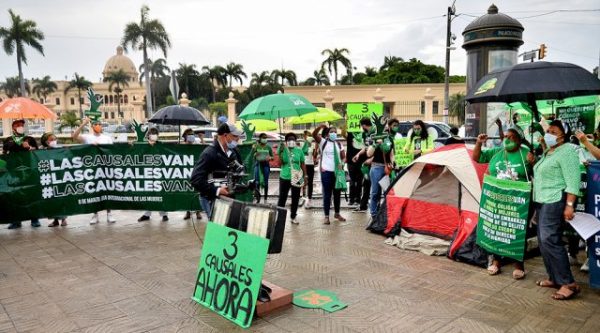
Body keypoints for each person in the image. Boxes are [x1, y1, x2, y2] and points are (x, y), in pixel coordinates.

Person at [473, 127, 533, 279]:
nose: (507, 139)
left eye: (511, 137)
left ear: (519, 139)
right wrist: (479, 143)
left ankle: (518, 263)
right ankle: (496, 261)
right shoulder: (496, 153)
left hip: (518, 202)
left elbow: (538, 172)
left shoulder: (526, 154)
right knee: (496, 229)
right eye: (505, 136)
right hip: (496, 200)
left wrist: (535, 160)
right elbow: (477, 157)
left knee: (517, 232)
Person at [533, 120, 581, 300]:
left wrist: (569, 205)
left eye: (553, 131)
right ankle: (554, 277)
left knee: (550, 239)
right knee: (543, 241)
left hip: (555, 200)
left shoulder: (567, 151)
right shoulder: (549, 152)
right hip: (542, 200)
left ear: (563, 135)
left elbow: (573, 180)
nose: (549, 134)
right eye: (548, 130)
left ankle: (568, 283)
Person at [190, 123, 243, 217]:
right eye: (234, 136)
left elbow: (238, 170)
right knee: (217, 229)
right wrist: (217, 190)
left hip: (228, 197)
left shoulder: (234, 151)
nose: (237, 138)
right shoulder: (209, 153)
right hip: (211, 199)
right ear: (225, 135)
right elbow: (195, 179)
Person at [72, 117, 116, 224]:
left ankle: (109, 213)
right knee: (94, 190)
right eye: (96, 124)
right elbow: (74, 136)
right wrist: (84, 123)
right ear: (92, 127)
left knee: (107, 190)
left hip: (105, 167)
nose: (98, 126)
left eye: (100, 124)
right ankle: (95, 214)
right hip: (92, 168)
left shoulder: (107, 138)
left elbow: (112, 151)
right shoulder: (88, 137)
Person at [3, 119, 41, 229]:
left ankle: (34, 219)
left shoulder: (30, 139)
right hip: (14, 171)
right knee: (15, 194)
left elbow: (37, 152)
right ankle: (16, 221)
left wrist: (29, 147)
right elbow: (6, 151)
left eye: (22, 125)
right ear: (13, 127)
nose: (21, 127)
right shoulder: (8, 140)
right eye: (18, 125)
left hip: (28, 170)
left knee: (30, 193)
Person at [312, 124, 346, 225]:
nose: (334, 133)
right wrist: (320, 127)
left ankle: (337, 213)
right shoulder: (323, 142)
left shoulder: (339, 144)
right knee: (327, 195)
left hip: (337, 173)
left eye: (335, 132)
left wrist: (342, 163)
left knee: (337, 194)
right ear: (327, 134)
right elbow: (314, 134)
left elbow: (343, 157)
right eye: (331, 132)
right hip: (326, 172)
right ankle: (326, 216)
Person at [138, 128, 169, 222]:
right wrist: (147, 146)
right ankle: (147, 214)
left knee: (160, 194)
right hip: (147, 173)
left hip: (158, 173)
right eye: (152, 133)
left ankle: (164, 214)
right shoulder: (143, 145)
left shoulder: (160, 144)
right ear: (148, 135)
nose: (154, 135)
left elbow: (166, 155)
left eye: (155, 133)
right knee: (148, 194)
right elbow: (139, 155)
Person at [365, 127, 394, 224]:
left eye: (387, 130)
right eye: (383, 130)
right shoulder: (374, 140)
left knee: (388, 193)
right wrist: (376, 143)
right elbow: (369, 153)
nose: (385, 132)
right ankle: (374, 215)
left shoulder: (390, 140)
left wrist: (392, 164)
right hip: (376, 168)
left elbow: (391, 154)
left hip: (387, 170)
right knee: (375, 193)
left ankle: (385, 214)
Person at [277, 133, 307, 224]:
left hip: (296, 177)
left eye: (293, 139)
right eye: (289, 139)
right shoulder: (282, 149)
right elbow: (280, 164)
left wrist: (305, 176)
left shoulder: (299, 151)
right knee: (282, 197)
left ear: (295, 141)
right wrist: (281, 153)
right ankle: (279, 217)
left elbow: (302, 163)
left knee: (295, 198)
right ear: (286, 141)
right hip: (284, 177)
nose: (291, 141)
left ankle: (293, 216)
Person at [41, 132, 68, 227]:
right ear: (45, 141)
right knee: (52, 199)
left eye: (54, 139)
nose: (53, 141)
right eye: (51, 140)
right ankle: (55, 220)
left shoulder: (60, 149)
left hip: (60, 177)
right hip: (49, 178)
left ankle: (64, 219)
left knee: (61, 197)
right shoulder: (42, 151)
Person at [350, 118, 376, 213]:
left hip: (376, 163)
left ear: (364, 125)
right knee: (366, 183)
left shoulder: (375, 133)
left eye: (362, 126)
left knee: (375, 185)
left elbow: (377, 149)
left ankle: (374, 206)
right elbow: (366, 148)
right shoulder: (366, 134)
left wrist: (371, 160)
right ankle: (363, 205)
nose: (362, 128)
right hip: (367, 163)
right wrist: (358, 154)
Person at [345, 119, 372, 207]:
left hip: (362, 160)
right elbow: (343, 133)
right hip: (351, 160)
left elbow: (366, 147)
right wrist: (347, 121)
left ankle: (358, 199)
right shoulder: (350, 133)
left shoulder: (365, 134)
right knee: (352, 181)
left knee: (360, 180)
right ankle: (351, 199)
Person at [182, 128, 202, 220]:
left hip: (196, 173)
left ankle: (198, 212)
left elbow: (204, 148)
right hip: (185, 173)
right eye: (189, 134)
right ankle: (188, 212)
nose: (191, 136)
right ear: (185, 137)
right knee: (187, 193)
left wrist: (202, 139)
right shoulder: (181, 147)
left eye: (192, 134)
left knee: (197, 192)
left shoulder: (197, 145)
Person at [253, 133, 273, 203]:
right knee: (257, 182)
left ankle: (265, 199)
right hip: (258, 165)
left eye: (266, 138)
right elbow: (253, 156)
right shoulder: (256, 146)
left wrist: (270, 158)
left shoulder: (268, 147)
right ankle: (258, 199)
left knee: (266, 183)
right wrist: (255, 154)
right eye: (263, 138)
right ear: (260, 139)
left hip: (266, 166)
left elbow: (272, 157)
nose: (265, 139)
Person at [302, 130, 318, 208]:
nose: (308, 137)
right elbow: (302, 153)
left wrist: (316, 149)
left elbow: (314, 156)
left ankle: (309, 198)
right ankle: (303, 196)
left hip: (310, 165)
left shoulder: (313, 145)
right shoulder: (302, 144)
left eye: (309, 136)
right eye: (306, 136)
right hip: (304, 165)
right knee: (303, 181)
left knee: (310, 182)